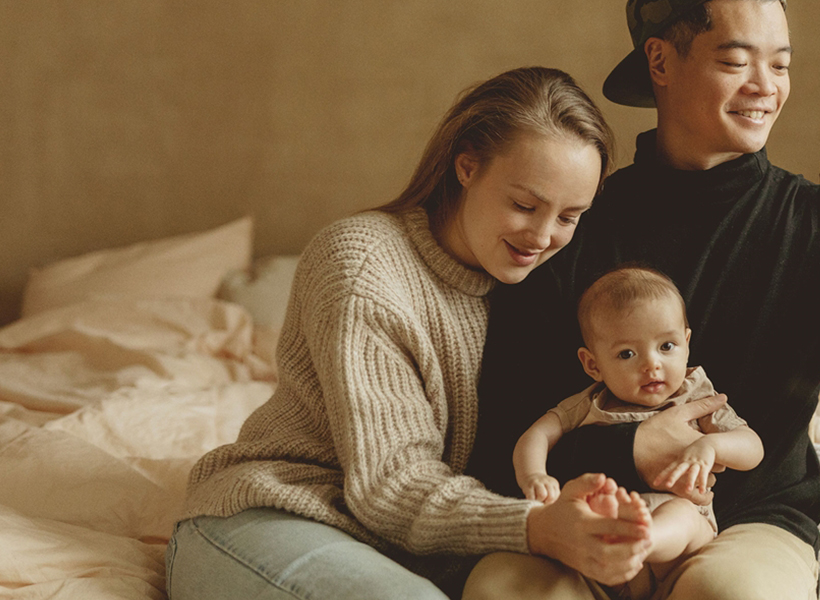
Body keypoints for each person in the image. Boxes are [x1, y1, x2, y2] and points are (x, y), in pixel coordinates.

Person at [463, 1, 820, 599]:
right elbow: (505, 435)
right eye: (736, 62)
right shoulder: (575, 223)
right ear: (660, 61)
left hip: (752, 524)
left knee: (730, 593)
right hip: (590, 509)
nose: (765, 87)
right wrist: (629, 452)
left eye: (780, 66)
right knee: (506, 588)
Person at [165, 66, 647, 600]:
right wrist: (536, 525)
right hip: (268, 518)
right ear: (467, 167)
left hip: (402, 548)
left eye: (569, 217)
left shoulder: (541, 286)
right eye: (524, 205)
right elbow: (392, 482)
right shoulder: (362, 264)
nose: (542, 236)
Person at [513, 267, 763, 593]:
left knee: (682, 514)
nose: (651, 364)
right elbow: (537, 435)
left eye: (667, 346)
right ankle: (622, 539)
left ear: (686, 343)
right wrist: (533, 475)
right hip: (605, 543)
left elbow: (753, 447)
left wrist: (711, 446)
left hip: (678, 542)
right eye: (627, 354)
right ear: (593, 364)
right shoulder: (590, 402)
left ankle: (644, 539)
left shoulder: (695, 394)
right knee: (584, 516)